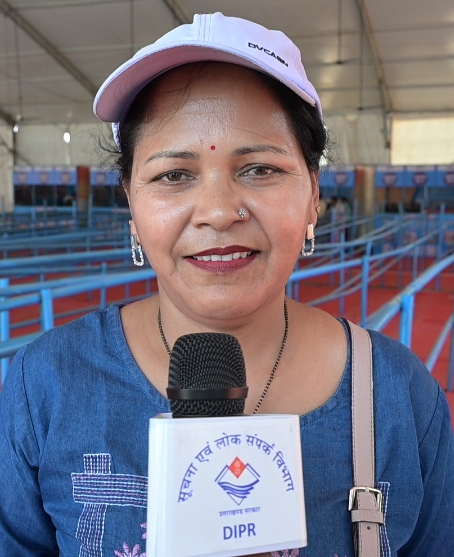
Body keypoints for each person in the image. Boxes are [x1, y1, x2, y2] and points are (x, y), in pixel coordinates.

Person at [0, 12, 453, 557]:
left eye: (259, 169)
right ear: (130, 203)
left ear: (313, 193)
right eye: (173, 175)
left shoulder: (398, 395)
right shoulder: (45, 385)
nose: (217, 211)